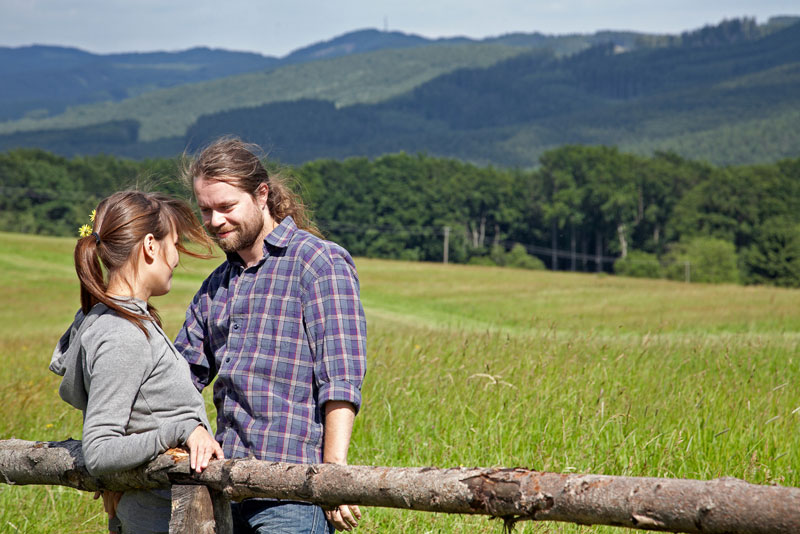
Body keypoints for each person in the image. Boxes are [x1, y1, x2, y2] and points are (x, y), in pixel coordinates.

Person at [174, 138, 367, 533]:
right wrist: (188, 428)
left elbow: (341, 377)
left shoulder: (319, 262)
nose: (214, 221)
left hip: (294, 495)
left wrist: (333, 475)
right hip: (226, 490)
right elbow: (177, 377)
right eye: (206, 209)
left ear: (261, 195)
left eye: (227, 207)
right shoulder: (216, 285)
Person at [50, 190, 225, 534]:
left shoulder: (113, 321)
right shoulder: (122, 334)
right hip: (160, 518)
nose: (175, 258)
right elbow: (100, 451)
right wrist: (181, 429)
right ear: (149, 246)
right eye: (173, 244)